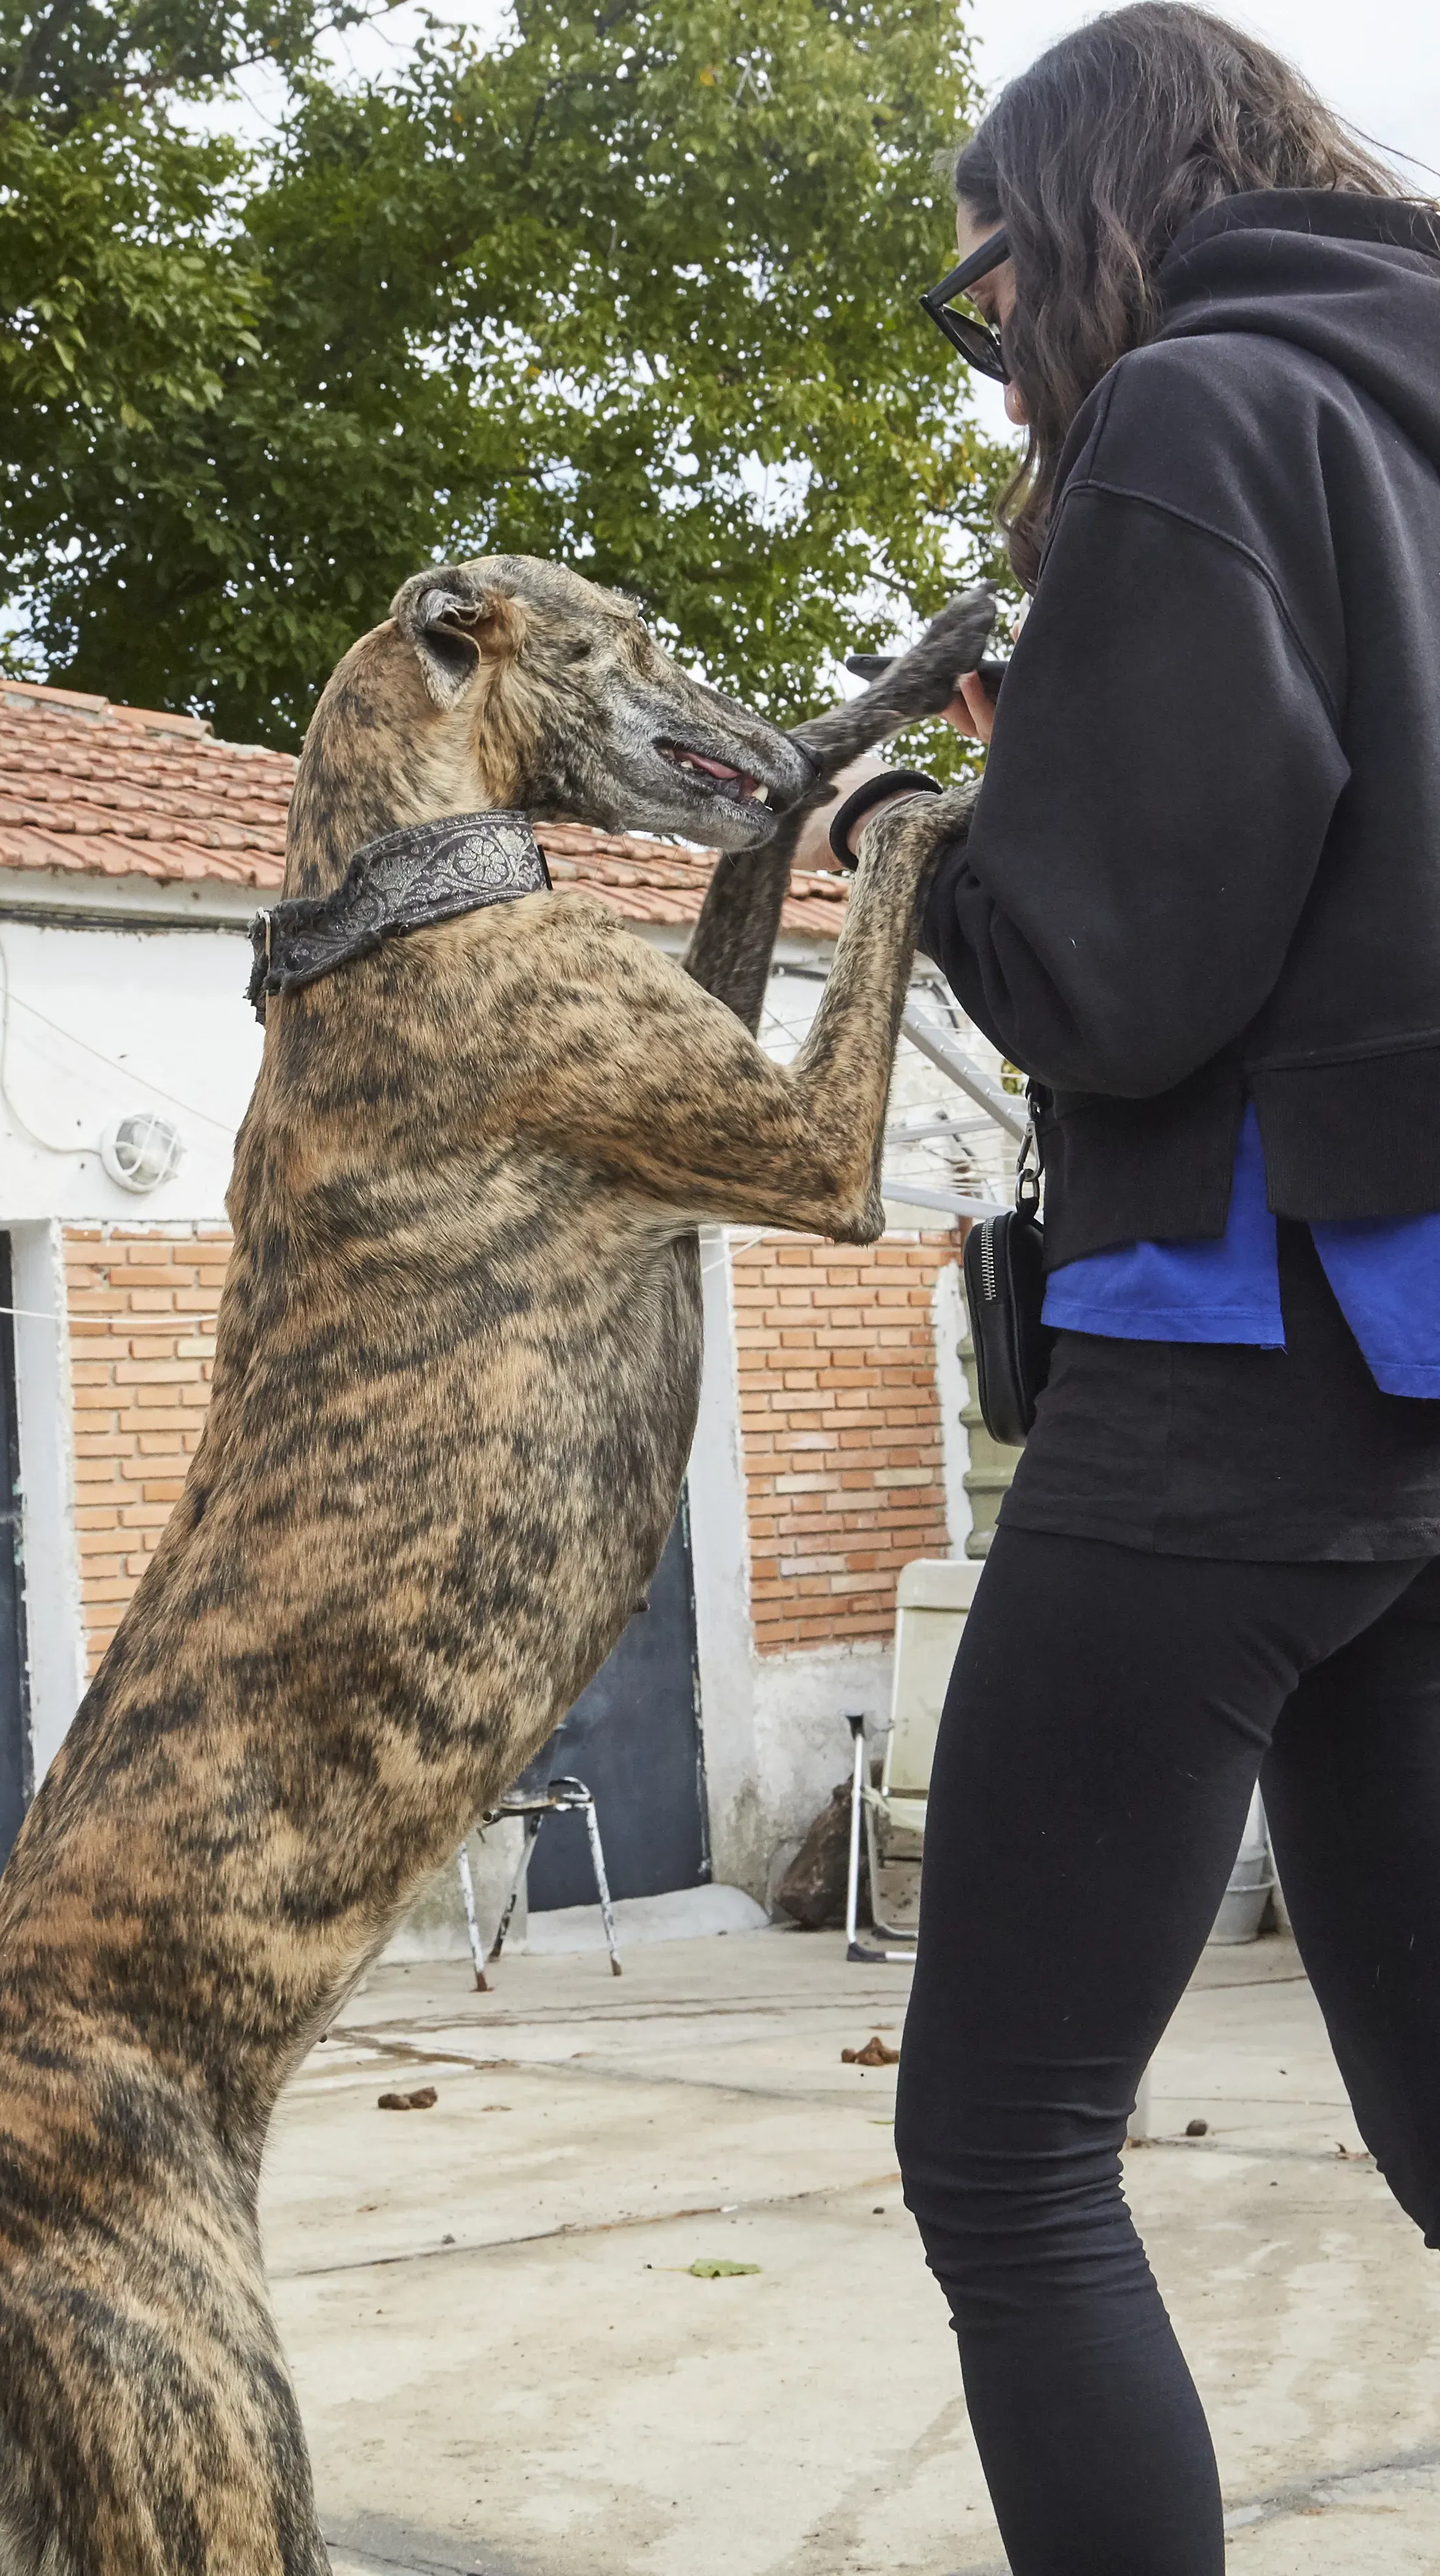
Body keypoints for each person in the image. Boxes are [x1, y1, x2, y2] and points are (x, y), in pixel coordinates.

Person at [814, 9, 1440, 2569]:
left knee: (1005, 2153)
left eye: (986, 301)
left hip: (1234, 1365)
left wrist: (938, 836)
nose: (1001, 351)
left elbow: (1117, 975)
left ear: (1091, 218)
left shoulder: (1197, 414)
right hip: (1420, 1402)